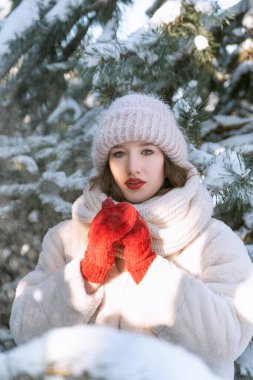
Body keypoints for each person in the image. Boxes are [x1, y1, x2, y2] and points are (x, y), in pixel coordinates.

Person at [10, 93, 253, 380]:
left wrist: (148, 269)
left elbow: (228, 340)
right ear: (107, 163)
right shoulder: (68, 237)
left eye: (147, 151)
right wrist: (87, 274)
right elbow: (26, 330)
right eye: (119, 153)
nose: (133, 167)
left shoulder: (213, 240)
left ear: (168, 158)